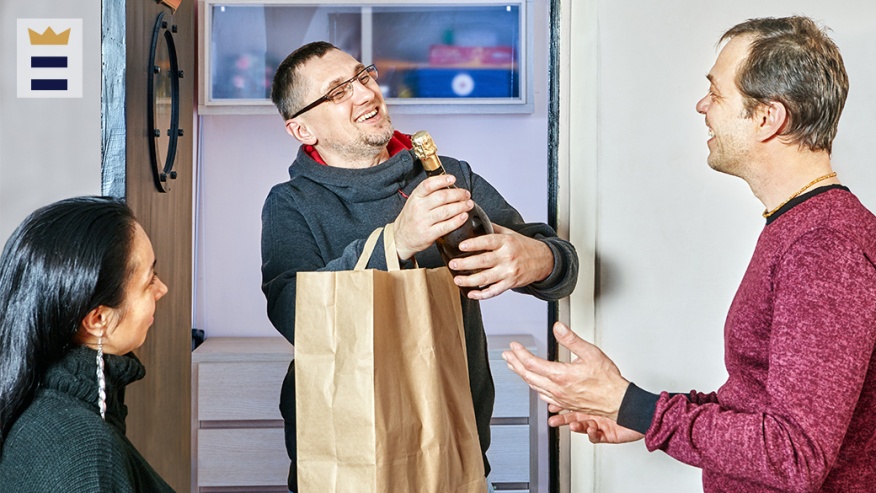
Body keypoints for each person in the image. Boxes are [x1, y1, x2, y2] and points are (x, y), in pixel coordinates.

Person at [503, 15, 876, 493]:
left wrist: (632, 405)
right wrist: (641, 415)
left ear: (768, 117)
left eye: (717, 94)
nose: (703, 106)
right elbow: (758, 405)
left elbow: (793, 454)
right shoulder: (801, 227)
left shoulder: (826, 248)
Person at [261, 41, 579, 491]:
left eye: (363, 76)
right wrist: (396, 241)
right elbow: (295, 314)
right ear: (302, 130)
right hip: (345, 457)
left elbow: (560, 269)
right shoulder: (290, 204)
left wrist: (540, 258)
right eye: (338, 92)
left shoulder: (446, 175)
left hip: (453, 445)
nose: (365, 93)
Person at [0, 197, 173, 492]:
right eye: (149, 280)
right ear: (98, 319)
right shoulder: (83, 449)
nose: (162, 289)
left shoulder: (40, 401)